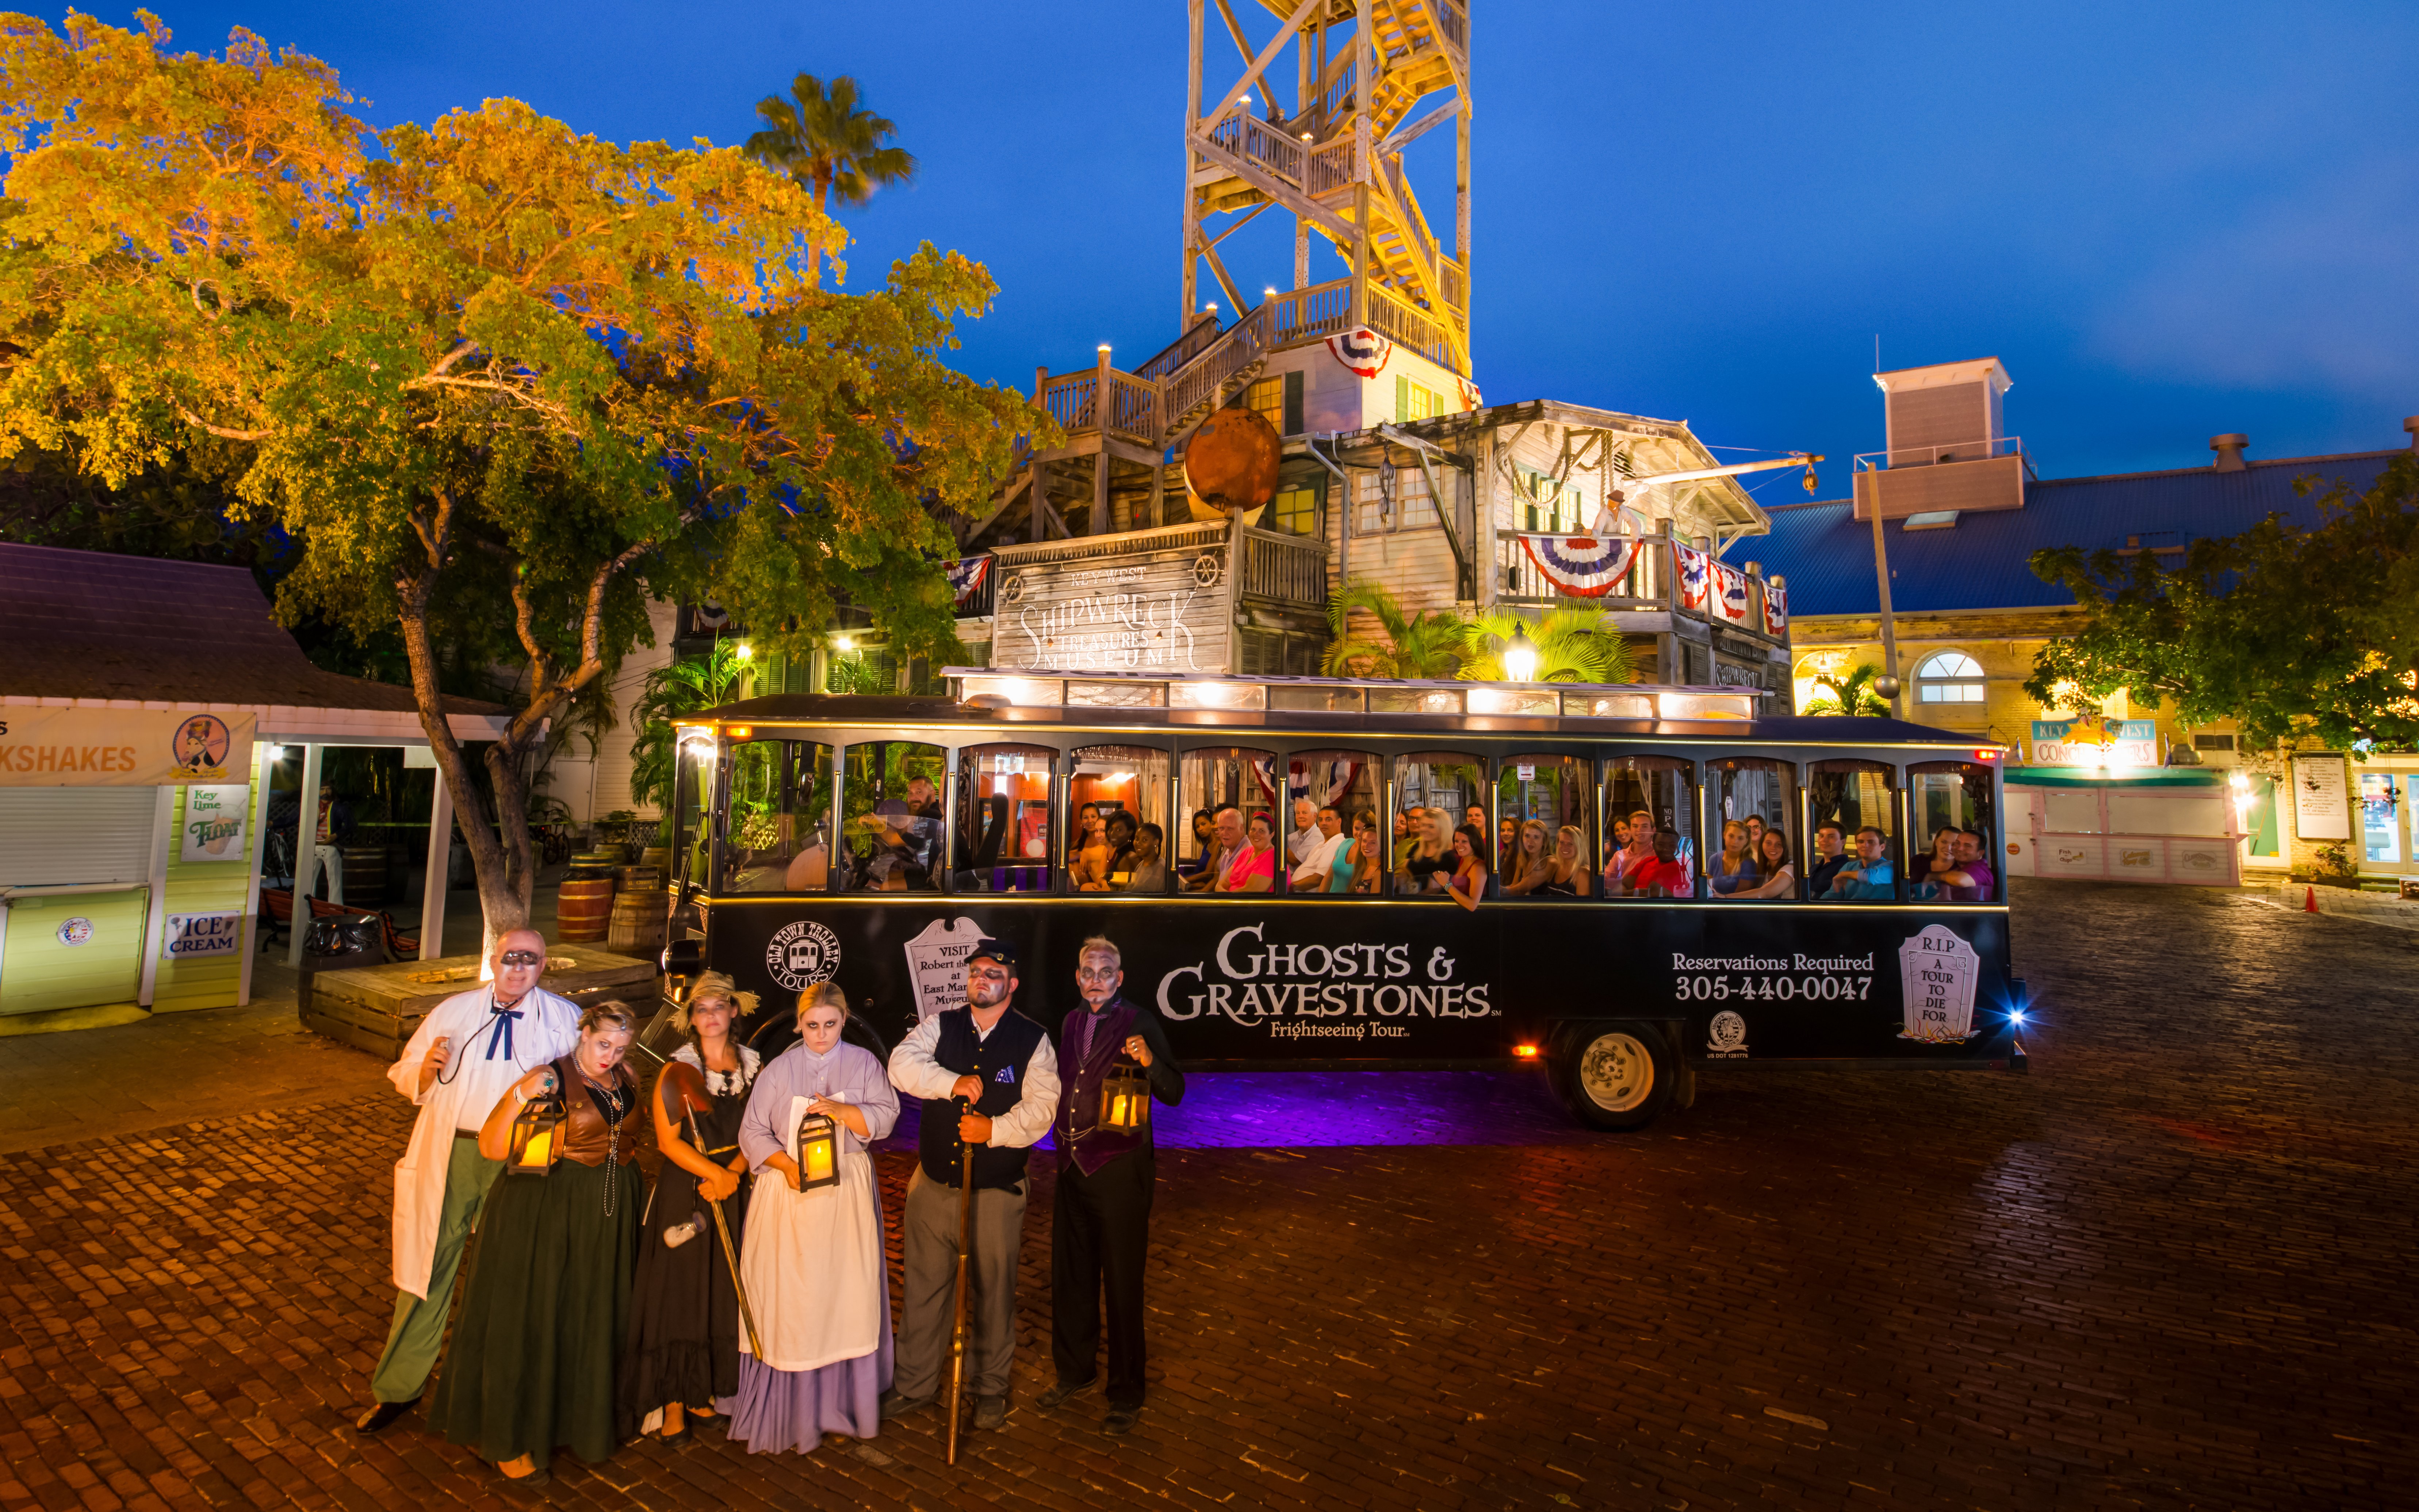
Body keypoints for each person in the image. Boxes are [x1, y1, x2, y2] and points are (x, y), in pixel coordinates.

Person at [355, 930, 581, 1438]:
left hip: (520, 1158)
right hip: (452, 1152)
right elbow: (403, 1071)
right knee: (428, 1269)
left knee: (510, 1275)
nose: (518, 968)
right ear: (493, 960)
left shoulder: (564, 1020)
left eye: (529, 960)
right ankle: (398, 1388)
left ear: (544, 965)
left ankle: (500, 1389)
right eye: (509, 958)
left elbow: (585, 1088)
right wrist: (425, 1070)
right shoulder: (453, 1012)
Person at [429, 999, 645, 1485]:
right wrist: (517, 1095)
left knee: (587, 1315)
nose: (609, 1055)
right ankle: (510, 1437)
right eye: (602, 1043)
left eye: (620, 1046)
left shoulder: (626, 1078)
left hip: (606, 1215)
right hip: (545, 1210)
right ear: (583, 1033)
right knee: (533, 1314)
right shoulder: (548, 1078)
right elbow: (490, 1146)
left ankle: (574, 1419)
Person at [883, 940, 1059, 1432]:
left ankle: (989, 1390)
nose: (983, 978)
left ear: (1012, 984)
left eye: (995, 972)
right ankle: (914, 1385)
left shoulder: (1033, 1040)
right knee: (923, 1291)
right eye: (977, 971)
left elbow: (1042, 1110)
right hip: (934, 1187)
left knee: (994, 1295)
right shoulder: (941, 1026)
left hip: (996, 1193)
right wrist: (950, 1082)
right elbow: (901, 1064)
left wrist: (994, 1131)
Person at [726, 983, 901, 1454]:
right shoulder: (780, 1069)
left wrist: (846, 1111)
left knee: (843, 1292)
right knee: (794, 1296)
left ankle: (843, 1400)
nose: (821, 1034)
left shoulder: (864, 1064)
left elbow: (886, 1117)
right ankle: (790, 1402)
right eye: (811, 1025)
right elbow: (753, 1130)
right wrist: (786, 1166)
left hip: (844, 1194)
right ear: (798, 1023)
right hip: (789, 1198)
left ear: (844, 1021)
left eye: (830, 1024)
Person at [1038, 938, 1186, 1435]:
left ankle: (1126, 1392)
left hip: (1120, 1170)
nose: (1096, 978)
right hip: (1072, 1167)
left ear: (1120, 978)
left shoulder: (1139, 1021)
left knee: (1122, 1284)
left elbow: (1174, 1091)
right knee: (1073, 1278)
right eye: (1088, 970)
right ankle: (1074, 1373)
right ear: (1077, 978)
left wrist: (1148, 1060)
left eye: (1106, 970)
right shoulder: (1070, 1022)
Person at [620, 972, 761, 1443]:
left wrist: (735, 1173)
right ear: (692, 1019)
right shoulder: (676, 1071)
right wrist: (715, 1175)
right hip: (690, 1188)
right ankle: (672, 1400)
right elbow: (667, 1141)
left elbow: (757, 1128)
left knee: (718, 1288)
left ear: (733, 1011)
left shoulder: (753, 1065)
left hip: (732, 1185)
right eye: (701, 1009)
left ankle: (701, 1391)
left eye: (718, 1006)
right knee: (681, 1292)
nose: (710, 1016)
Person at [1722, 828, 1798, 900]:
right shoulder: (1766, 869)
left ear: (1784, 847)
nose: (1773, 848)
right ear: (1762, 845)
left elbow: (1764, 893)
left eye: (1779, 844)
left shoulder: (1789, 869)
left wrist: (1725, 897)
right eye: (1769, 843)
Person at [1289, 804, 1351, 891]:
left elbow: (1319, 878)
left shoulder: (1337, 844)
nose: (1323, 823)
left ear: (1339, 822)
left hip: (1307, 898)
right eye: (1321, 820)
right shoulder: (1321, 844)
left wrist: (1291, 888)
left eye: (1328, 820)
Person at [1823, 827, 1896, 900]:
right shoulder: (1849, 867)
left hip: (1878, 911)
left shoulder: (1890, 867)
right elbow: (1833, 894)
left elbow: (1870, 877)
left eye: (1871, 842)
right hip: (1850, 911)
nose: (1865, 845)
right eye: (1861, 842)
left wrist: (1843, 874)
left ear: (1882, 847)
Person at [1181, 805, 1242, 892]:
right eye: (1197, 827)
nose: (1200, 829)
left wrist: (1184, 881)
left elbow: (1210, 875)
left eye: (1203, 824)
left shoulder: (1226, 846)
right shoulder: (1211, 846)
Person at [1218, 810, 1280, 892]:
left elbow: (1250, 893)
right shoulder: (1247, 852)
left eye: (1261, 831)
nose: (1256, 834)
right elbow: (1222, 884)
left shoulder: (1272, 857)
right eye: (1253, 829)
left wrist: (1224, 899)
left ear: (1272, 835)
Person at [1929, 827, 1997, 902]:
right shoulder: (1959, 868)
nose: (1960, 849)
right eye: (1958, 843)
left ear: (1980, 853)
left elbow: (1960, 880)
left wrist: (1933, 876)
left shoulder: (1981, 869)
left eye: (1968, 846)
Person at [1628, 827, 1694, 898]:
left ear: (1679, 847)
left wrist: (1636, 893)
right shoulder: (1647, 861)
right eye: (1661, 845)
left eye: (1672, 845)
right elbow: (1625, 885)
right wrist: (1642, 893)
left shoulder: (1686, 867)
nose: (1666, 849)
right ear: (1654, 846)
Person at [1397, 807, 1451, 894]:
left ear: (1442, 829)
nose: (1425, 829)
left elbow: (1434, 891)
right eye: (1423, 825)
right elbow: (1403, 873)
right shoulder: (1416, 847)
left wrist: (1411, 900)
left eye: (1431, 827)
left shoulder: (1448, 857)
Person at [1531, 824, 1594, 897]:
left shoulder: (1583, 874)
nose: (1565, 847)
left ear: (1579, 847)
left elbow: (1582, 907)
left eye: (1570, 844)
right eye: (1562, 842)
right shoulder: (1555, 867)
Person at [1604, 809, 1656, 895]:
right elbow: (1605, 880)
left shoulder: (1657, 854)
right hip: (1623, 904)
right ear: (1631, 830)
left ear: (1653, 831)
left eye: (1644, 826)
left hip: (1649, 904)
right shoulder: (1620, 855)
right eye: (1635, 826)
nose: (1639, 830)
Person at [1500, 819, 1553, 896]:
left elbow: (1519, 890)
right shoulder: (1522, 858)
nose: (1530, 841)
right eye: (1527, 836)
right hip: (1523, 906)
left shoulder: (1550, 862)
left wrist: (1494, 890)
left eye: (1536, 837)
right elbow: (1514, 886)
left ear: (1544, 842)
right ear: (1522, 838)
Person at [1444, 823, 1490, 911]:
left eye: (1464, 842)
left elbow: (1472, 905)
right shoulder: (1463, 860)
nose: (1459, 845)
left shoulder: (1478, 868)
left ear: (1474, 842)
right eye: (1457, 841)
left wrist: (1446, 885)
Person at [1707, 821, 1759, 895]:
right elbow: (1709, 890)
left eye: (1740, 838)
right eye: (1731, 836)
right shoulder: (1714, 859)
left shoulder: (1749, 864)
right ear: (1725, 835)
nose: (1735, 842)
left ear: (1746, 841)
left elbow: (1741, 896)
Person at [1336, 808, 1381, 893]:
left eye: (1373, 843)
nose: (1367, 846)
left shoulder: (1379, 873)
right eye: (1364, 841)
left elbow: (1375, 905)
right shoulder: (1361, 867)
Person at [1910, 826, 1959, 899]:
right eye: (1944, 842)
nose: (1948, 848)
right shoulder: (1918, 860)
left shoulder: (1961, 868)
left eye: (1954, 844)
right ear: (1936, 842)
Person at [1804, 823, 1852, 896]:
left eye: (1831, 837)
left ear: (1843, 842)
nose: (1824, 840)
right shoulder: (1814, 868)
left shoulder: (1847, 868)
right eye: (1821, 836)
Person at [1125, 822, 1170, 892]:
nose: (1138, 843)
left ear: (1156, 843)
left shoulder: (1161, 868)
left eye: (1145, 840)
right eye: (1137, 839)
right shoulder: (1141, 864)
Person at [1285, 797, 1324, 871]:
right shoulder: (1292, 837)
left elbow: (1295, 861)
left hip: (1304, 882)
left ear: (1315, 816)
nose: (1300, 816)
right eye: (1298, 813)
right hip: (1290, 879)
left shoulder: (1317, 837)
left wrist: (1280, 842)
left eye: (1304, 813)